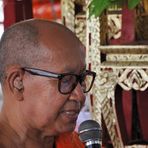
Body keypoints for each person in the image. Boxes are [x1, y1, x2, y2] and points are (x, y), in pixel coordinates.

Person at [0, 18, 96, 148]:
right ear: (18, 82)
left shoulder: (74, 144)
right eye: (66, 80)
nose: (80, 95)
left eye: (81, 79)